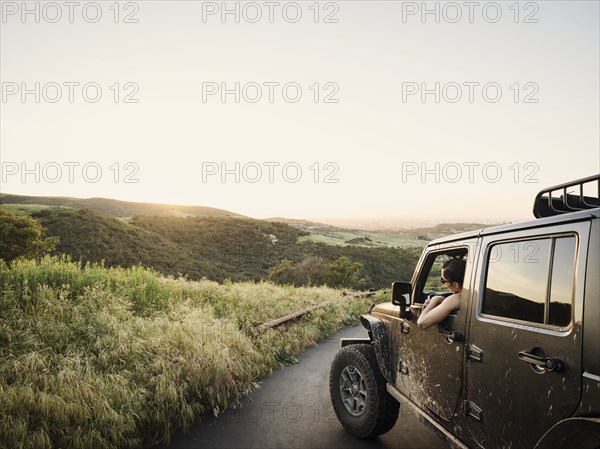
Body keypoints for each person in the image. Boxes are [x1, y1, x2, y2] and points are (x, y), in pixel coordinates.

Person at [417, 258, 466, 329]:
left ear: (455, 284)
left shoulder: (457, 298)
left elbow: (422, 323)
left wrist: (434, 300)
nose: (443, 284)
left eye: (443, 281)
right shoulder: (475, 295)